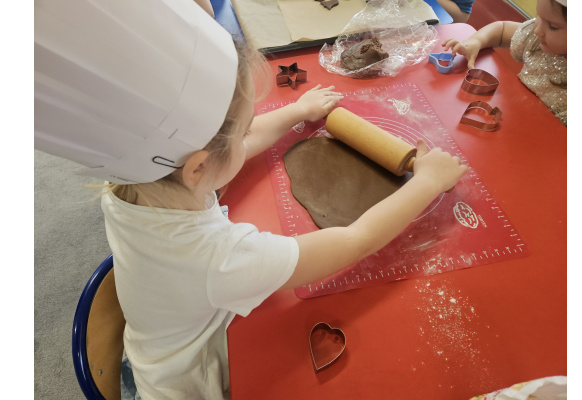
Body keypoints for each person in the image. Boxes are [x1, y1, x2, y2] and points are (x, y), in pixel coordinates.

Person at [35, 1, 467, 399]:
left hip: (158, 347)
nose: (249, 133)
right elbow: (355, 241)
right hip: (187, 385)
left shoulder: (131, 183)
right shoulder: (219, 259)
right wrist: (427, 182)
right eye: (244, 129)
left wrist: (297, 111)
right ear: (198, 169)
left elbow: (225, 148)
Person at [442, 0, 567, 125]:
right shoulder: (534, 36)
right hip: (511, 118)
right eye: (538, 15)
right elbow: (501, 30)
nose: (537, 30)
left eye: (552, 26)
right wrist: (476, 41)